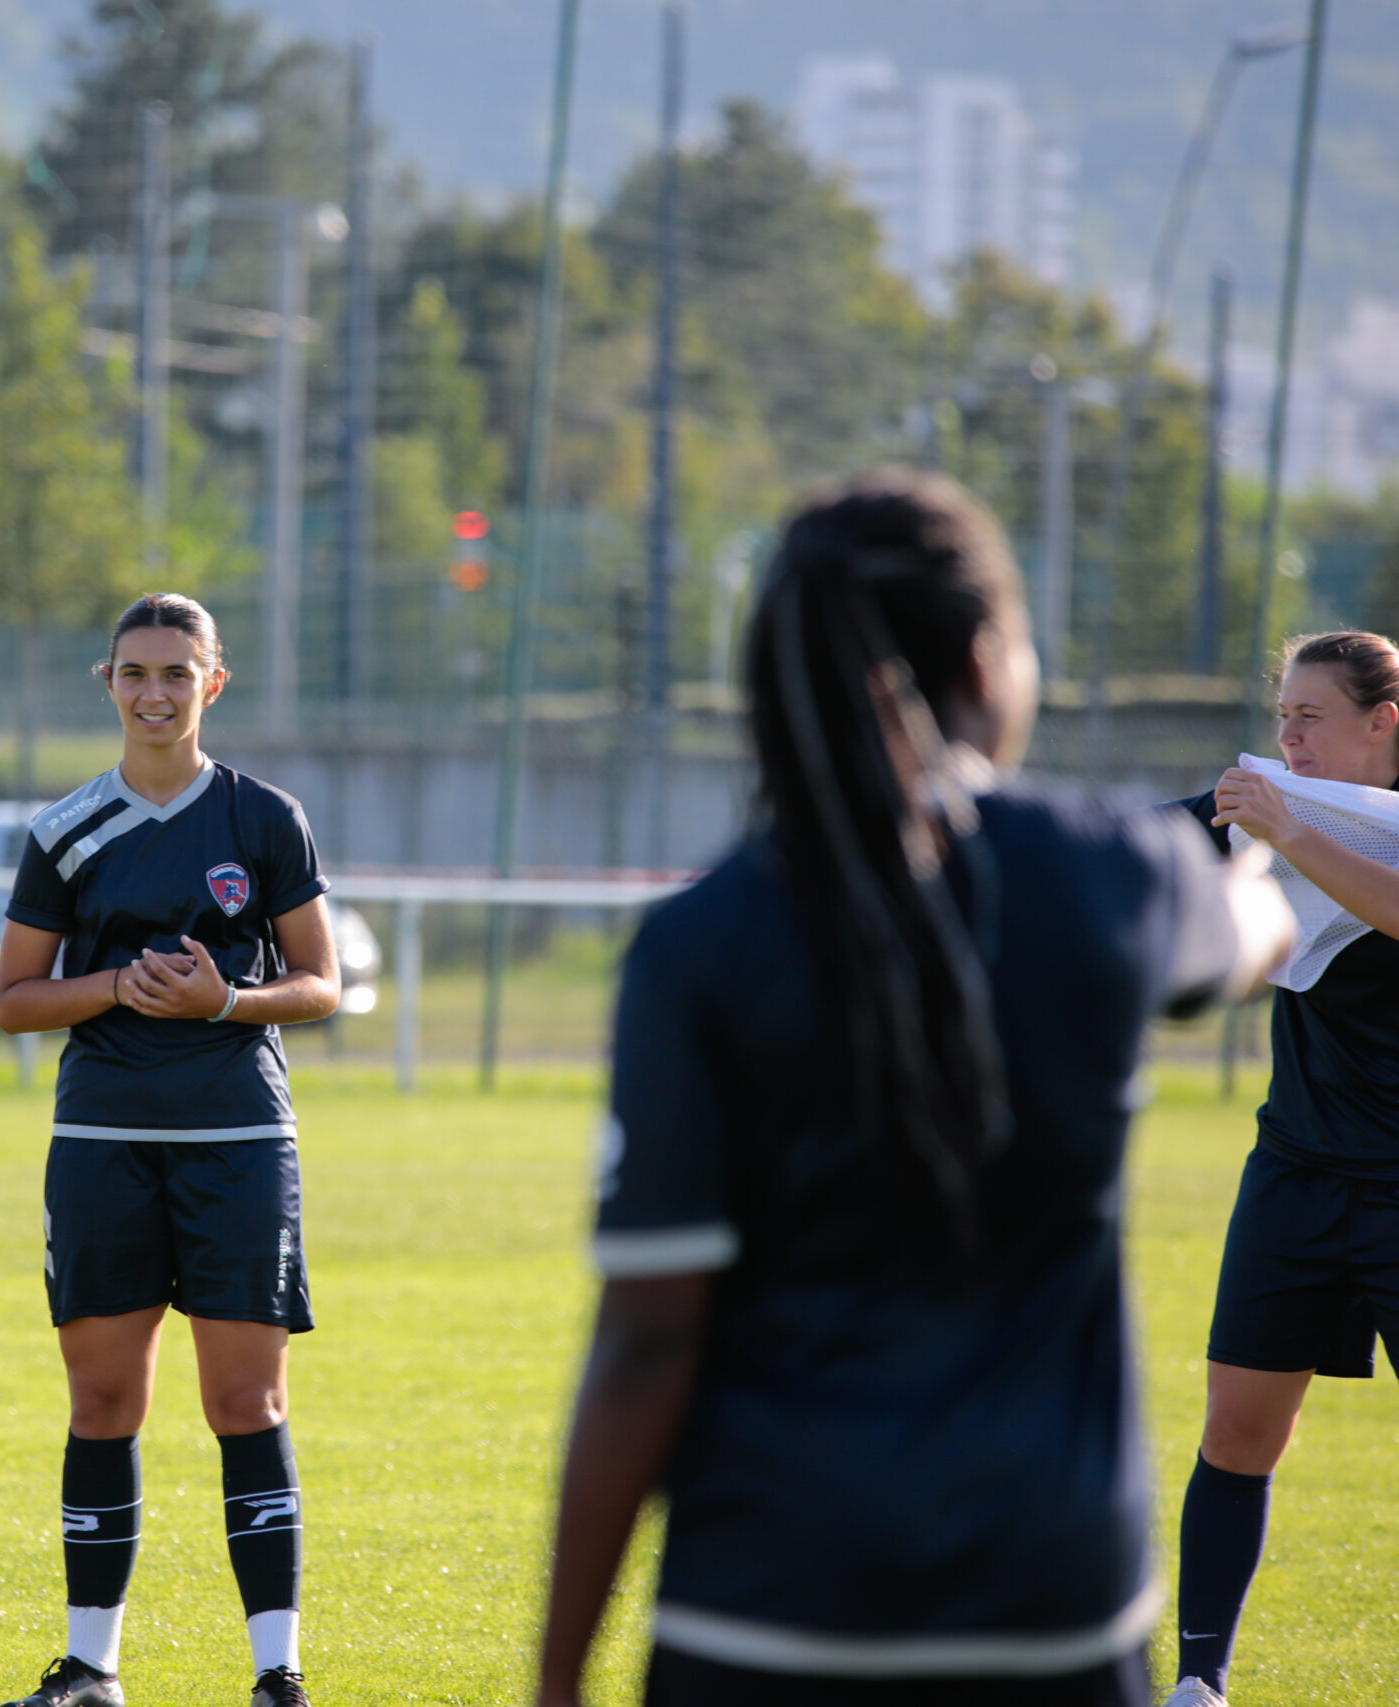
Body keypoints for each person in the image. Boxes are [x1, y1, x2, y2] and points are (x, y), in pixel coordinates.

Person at [533, 470, 1286, 1707]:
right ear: (989, 661)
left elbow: (644, 1346)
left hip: (760, 1621)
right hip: (1052, 1614)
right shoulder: (1112, 875)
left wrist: (559, 1678)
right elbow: (1243, 928)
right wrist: (1250, 874)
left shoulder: (702, 944)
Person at [0, 592, 342, 1707]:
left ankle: (276, 1673)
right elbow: (11, 999)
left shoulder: (264, 819)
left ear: (212, 685)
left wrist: (224, 1002)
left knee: (246, 1404)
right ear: (107, 684)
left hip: (237, 1138)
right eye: (134, 673)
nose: (154, 693)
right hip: (101, 1140)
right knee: (103, 1403)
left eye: (175, 673)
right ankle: (92, 1668)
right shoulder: (65, 830)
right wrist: (116, 986)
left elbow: (323, 984)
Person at [1165, 632, 1399, 1707]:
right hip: (1294, 1169)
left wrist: (1284, 832)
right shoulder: (1268, 805)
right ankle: (1198, 1684)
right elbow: (1115, 856)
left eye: (1308, 717)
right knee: (1239, 1428)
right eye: (1281, 713)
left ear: (1381, 722)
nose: (1283, 736)